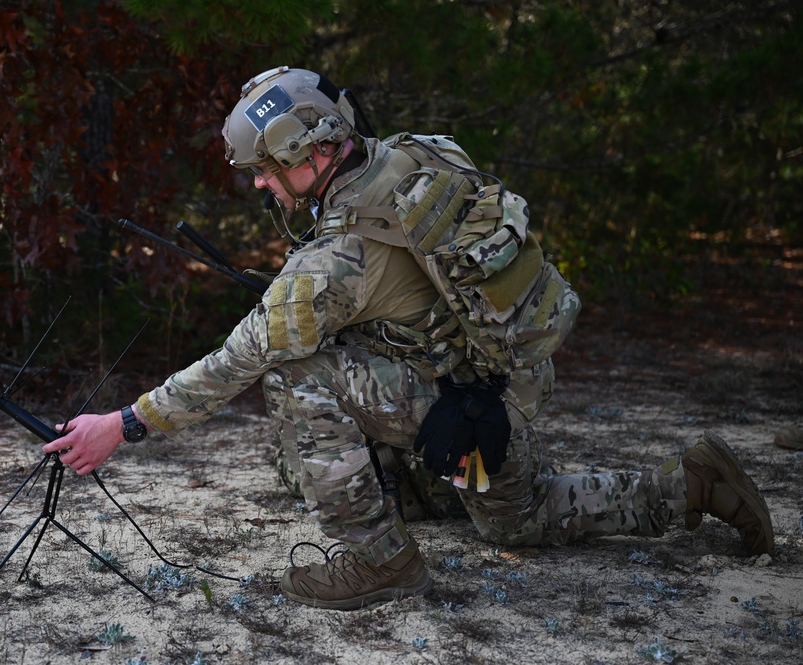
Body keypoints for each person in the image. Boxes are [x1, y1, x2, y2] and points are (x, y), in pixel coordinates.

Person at [45, 66, 774, 610]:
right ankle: (692, 484)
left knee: (295, 376)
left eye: (265, 170)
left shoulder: (334, 261)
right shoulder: (415, 154)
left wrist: (125, 422)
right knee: (519, 515)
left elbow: (244, 354)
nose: (262, 187)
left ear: (307, 152)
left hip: (463, 403)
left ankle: (381, 562)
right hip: (497, 387)